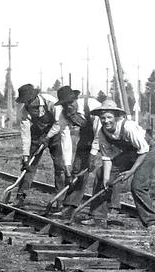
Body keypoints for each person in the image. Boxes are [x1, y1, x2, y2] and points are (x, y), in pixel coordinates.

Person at [85, 99, 155, 230]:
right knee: (101, 174)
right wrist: (107, 179)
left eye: (109, 117)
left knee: (138, 185)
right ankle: (98, 216)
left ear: (116, 117)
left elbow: (143, 151)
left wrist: (131, 171)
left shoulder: (128, 127)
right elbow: (107, 157)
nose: (106, 121)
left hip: (147, 151)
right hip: (131, 152)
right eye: (103, 118)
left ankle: (152, 222)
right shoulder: (102, 132)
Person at [49, 85, 121, 219]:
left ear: (76, 99)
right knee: (77, 169)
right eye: (65, 104)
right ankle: (70, 206)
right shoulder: (63, 115)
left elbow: (100, 131)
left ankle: (113, 207)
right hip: (87, 137)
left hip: (109, 136)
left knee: (111, 171)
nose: (68, 107)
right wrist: (67, 164)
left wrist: (93, 156)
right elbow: (66, 139)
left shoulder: (91, 105)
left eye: (70, 102)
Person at [14, 83, 73, 208]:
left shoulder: (51, 102)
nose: (29, 105)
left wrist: (47, 137)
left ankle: (60, 199)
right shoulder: (24, 112)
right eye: (26, 103)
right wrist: (25, 156)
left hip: (55, 135)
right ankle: (20, 195)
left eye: (30, 101)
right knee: (29, 165)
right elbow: (26, 135)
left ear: (35, 97)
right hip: (38, 135)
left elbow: (58, 123)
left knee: (60, 166)